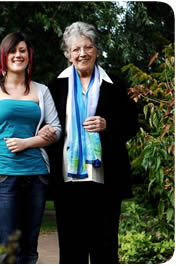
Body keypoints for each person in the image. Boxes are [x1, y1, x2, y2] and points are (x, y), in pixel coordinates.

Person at [40, 21, 138, 263]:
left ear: (97, 50)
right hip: (67, 179)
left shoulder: (116, 85)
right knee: (71, 248)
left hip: (105, 178)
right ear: (68, 54)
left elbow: (132, 126)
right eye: (76, 49)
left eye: (88, 47)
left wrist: (108, 126)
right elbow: (47, 125)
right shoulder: (54, 86)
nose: (82, 53)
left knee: (105, 247)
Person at [0, 32, 61, 264]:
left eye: (22, 50)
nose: (18, 55)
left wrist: (29, 142)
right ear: (3, 55)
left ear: (29, 56)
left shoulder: (41, 90)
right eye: (12, 50)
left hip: (37, 176)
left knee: (29, 249)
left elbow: (57, 129)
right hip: (3, 177)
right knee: (5, 248)